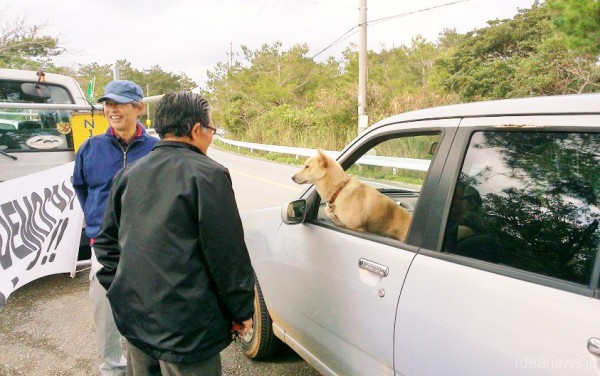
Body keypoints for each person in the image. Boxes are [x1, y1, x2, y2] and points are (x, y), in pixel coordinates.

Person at [94, 91, 255, 376]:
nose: (212, 136)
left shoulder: (128, 174)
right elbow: (225, 255)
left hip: (137, 320)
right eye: (211, 129)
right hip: (188, 329)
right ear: (196, 129)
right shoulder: (208, 175)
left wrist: (122, 292)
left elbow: (106, 244)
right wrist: (241, 310)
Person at [72, 80, 159, 376]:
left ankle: (146, 365)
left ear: (139, 108)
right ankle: (111, 367)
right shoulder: (90, 148)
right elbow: (81, 187)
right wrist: (97, 224)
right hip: (103, 245)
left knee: (148, 305)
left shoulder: (156, 150)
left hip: (145, 245)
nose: (112, 110)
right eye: (108, 104)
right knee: (104, 308)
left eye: (120, 103)